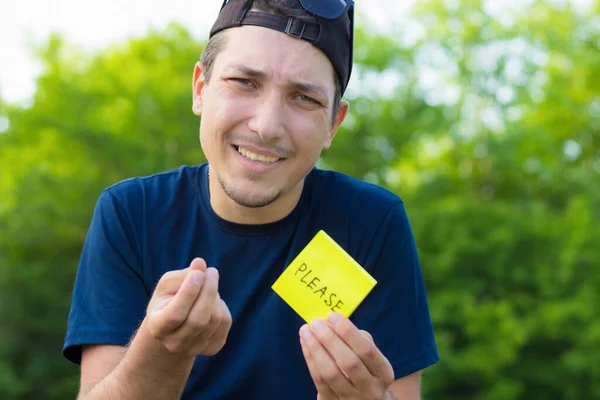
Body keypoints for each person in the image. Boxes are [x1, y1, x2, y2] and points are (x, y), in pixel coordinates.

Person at [63, 0, 439, 398]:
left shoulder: (372, 221)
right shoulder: (130, 212)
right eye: (244, 82)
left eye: (304, 98)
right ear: (200, 89)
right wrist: (160, 351)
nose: (266, 126)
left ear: (334, 123)